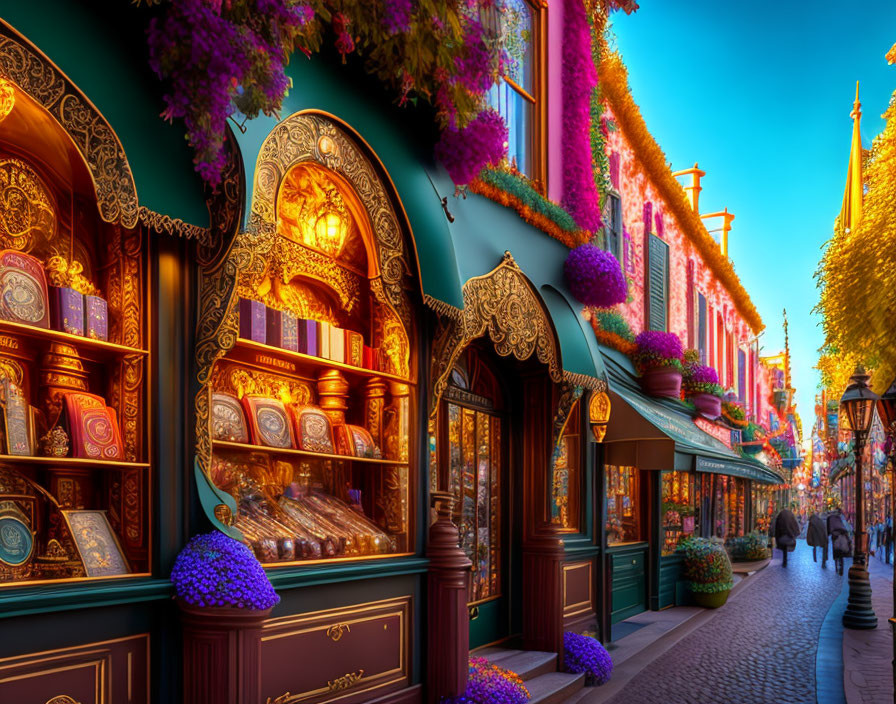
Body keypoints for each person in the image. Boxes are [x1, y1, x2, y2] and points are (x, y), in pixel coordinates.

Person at [827, 509, 852, 576]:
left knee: (836, 550)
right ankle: (841, 565)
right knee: (841, 550)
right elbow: (844, 526)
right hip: (842, 533)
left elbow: (828, 529)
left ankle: (837, 565)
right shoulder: (839, 518)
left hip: (835, 535)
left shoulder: (830, 518)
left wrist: (828, 534)